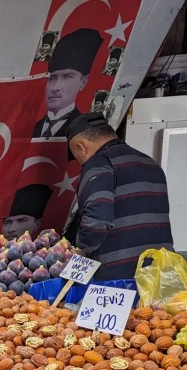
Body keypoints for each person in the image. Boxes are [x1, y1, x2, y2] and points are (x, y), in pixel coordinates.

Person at [67, 112, 174, 280]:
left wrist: (79, 250)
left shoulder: (98, 164)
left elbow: (97, 219)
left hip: (120, 280)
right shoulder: (151, 163)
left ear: (81, 147)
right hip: (161, 275)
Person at [33, 28, 103, 139]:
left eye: (67, 77)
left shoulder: (88, 132)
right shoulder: (30, 130)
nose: (55, 88)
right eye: (52, 78)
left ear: (83, 82)